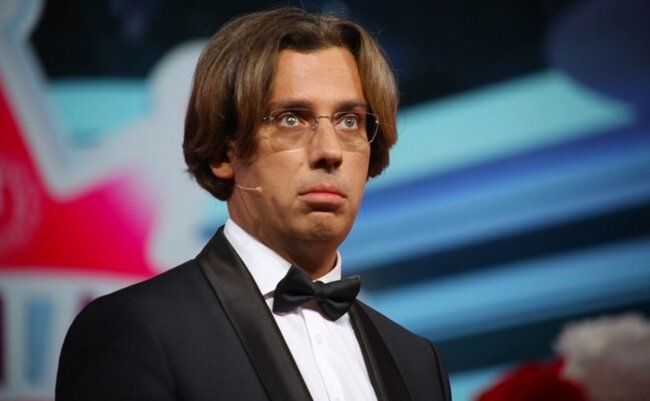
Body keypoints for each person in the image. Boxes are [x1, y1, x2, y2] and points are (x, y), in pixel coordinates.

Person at [56, 7, 451, 401]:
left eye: (349, 120)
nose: (330, 151)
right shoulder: (133, 331)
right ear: (223, 152)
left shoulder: (417, 363)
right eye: (291, 119)